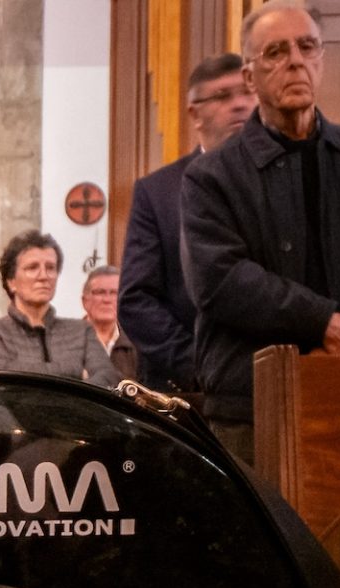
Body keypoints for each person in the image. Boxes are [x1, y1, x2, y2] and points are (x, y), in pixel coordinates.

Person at [182, 0, 340, 465]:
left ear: (322, 58)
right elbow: (221, 280)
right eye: (276, 52)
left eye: (307, 47)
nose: (296, 61)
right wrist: (324, 324)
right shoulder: (212, 176)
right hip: (251, 404)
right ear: (250, 77)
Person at [117, 53, 257, 392]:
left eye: (247, 92)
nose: (239, 104)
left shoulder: (282, 178)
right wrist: (199, 365)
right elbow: (137, 300)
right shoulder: (159, 190)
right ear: (195, 114)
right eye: (223, 96)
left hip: (277, 375)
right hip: (190, 386)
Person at [0, 231, 121, 385]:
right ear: (11, 281)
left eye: (50, 268)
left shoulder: (81, 331)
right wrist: (76, 372)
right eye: (32, 267)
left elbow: (107, 379)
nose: (43, 276)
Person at [81, 266, 138, 380]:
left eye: (114, 293)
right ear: (85, 301)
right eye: (100, 292)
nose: (107, 300)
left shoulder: (137, 346)